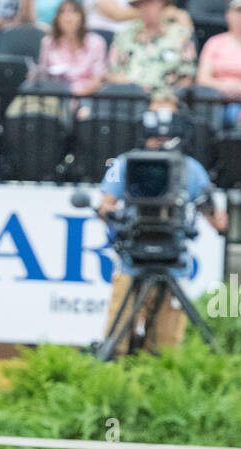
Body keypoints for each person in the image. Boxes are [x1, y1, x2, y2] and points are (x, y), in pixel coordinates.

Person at [96, 96, 228, 354]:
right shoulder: (124, 163)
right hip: (131, 260)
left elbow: (217, 221)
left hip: (173, 259)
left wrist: (215, 212)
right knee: (116, 342)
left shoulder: (191, 169)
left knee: (165, 348)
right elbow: (105, 204)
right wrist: (110, 214)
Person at [107, 0, 196, 93]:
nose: (146, 8)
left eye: (151, 3)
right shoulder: (124, 36)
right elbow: (112, 73)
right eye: (142, 4)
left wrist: (168, 97)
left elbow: (187, 78)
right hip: (130, 97)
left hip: (167, 99)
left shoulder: (181, 36)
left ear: (163, 5)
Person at [35, 0, 108, 95]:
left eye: (74, 12)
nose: (68, 17)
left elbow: (98, 79)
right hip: (56, 96)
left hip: (89, 96)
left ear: (82, 17)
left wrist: (78, 95)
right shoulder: (48, 42)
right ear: (57, 19)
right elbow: (43, 75)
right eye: (63, 12)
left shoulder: (96, 42)